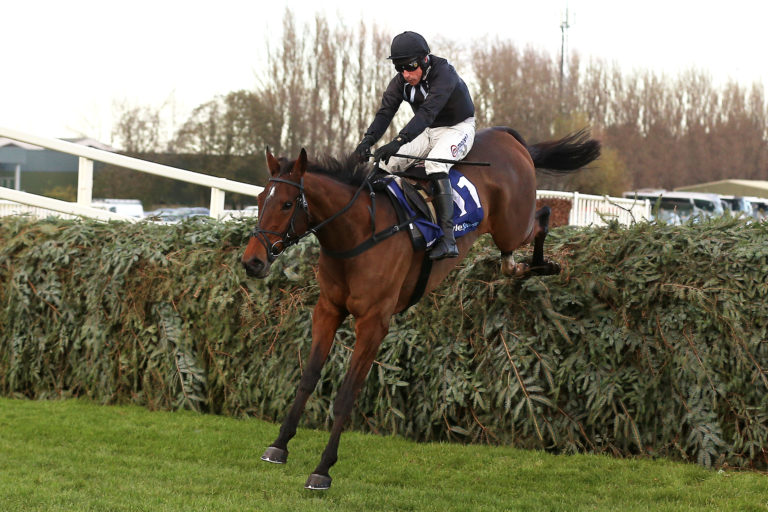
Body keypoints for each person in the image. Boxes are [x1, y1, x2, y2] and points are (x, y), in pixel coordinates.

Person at [354, 31, 476, 260]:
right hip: (428, 131)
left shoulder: (444, 73)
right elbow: (386, 112)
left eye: (410, 67)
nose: (406, 75)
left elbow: (428, 113)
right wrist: (367, 140)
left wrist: (399, 140)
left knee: (435, 167)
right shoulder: (401, 81)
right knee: (387, 163)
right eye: (400, 69)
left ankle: (448, 240)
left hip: (458, 128)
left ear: (424, 59)